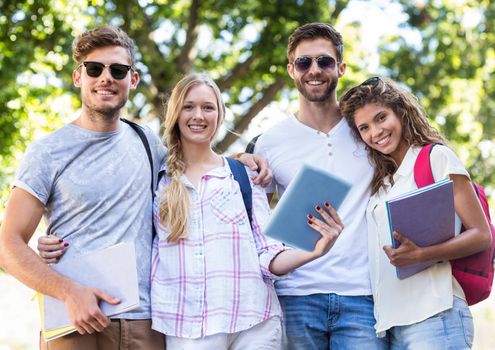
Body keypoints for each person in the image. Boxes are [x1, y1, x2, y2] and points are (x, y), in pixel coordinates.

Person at [0, 26, 269, 350]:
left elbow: (197, 167)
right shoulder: (47, 152)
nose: (106, 77)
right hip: (75, 321)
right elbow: (8, 246)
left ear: (134, 79)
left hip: (146, 324)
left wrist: (239, 160)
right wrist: (68, 291)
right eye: (94, 69)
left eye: (118, 70)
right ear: (77, 77)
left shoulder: (148, 145)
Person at [151, 73, 343, 349]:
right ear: (175, 113)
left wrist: (314, 250)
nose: (198, 115)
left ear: (220, 114)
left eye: (208, 107)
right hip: (187, 328)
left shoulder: (243, 176)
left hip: (255, 323)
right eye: (188, 106)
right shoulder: (158, 178)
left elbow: (267, 254)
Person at [252, 23, 388, 349]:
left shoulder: (366, 130)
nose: (314, 70)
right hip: (296, 294)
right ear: (291, 70)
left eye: (325, 62)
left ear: (341, 67)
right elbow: (255, 222)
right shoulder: (269, 142)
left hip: (363, 296)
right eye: (304, 63)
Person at [339, 77, 491, 349]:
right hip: (391, 326)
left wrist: (421, 255)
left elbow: (482, 235)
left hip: (435, 316)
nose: (376, 132)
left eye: (381, 117)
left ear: (401, 112)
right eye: (364, 127)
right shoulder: (381, 184)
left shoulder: (435, 158)